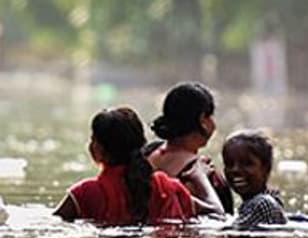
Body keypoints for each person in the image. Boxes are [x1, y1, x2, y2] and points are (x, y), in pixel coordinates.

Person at [54, 106, 195, 226]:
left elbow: (54, 223)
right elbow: (201, 213)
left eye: (93, 139)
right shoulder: (170, 189)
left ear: (99, 149)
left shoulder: (85, 193)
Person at [146, 82, 233, 216]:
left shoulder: (145, 155)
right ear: (202, 120)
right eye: (210, 116)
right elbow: (221, 218)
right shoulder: (203, 175)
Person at [222, 130, 286, 230]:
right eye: (229, 164)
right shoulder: (256, 203)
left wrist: (202, 181)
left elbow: (230, 234)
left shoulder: (262, 204)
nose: (235, 170)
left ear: (266, 168)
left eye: (247, 163)